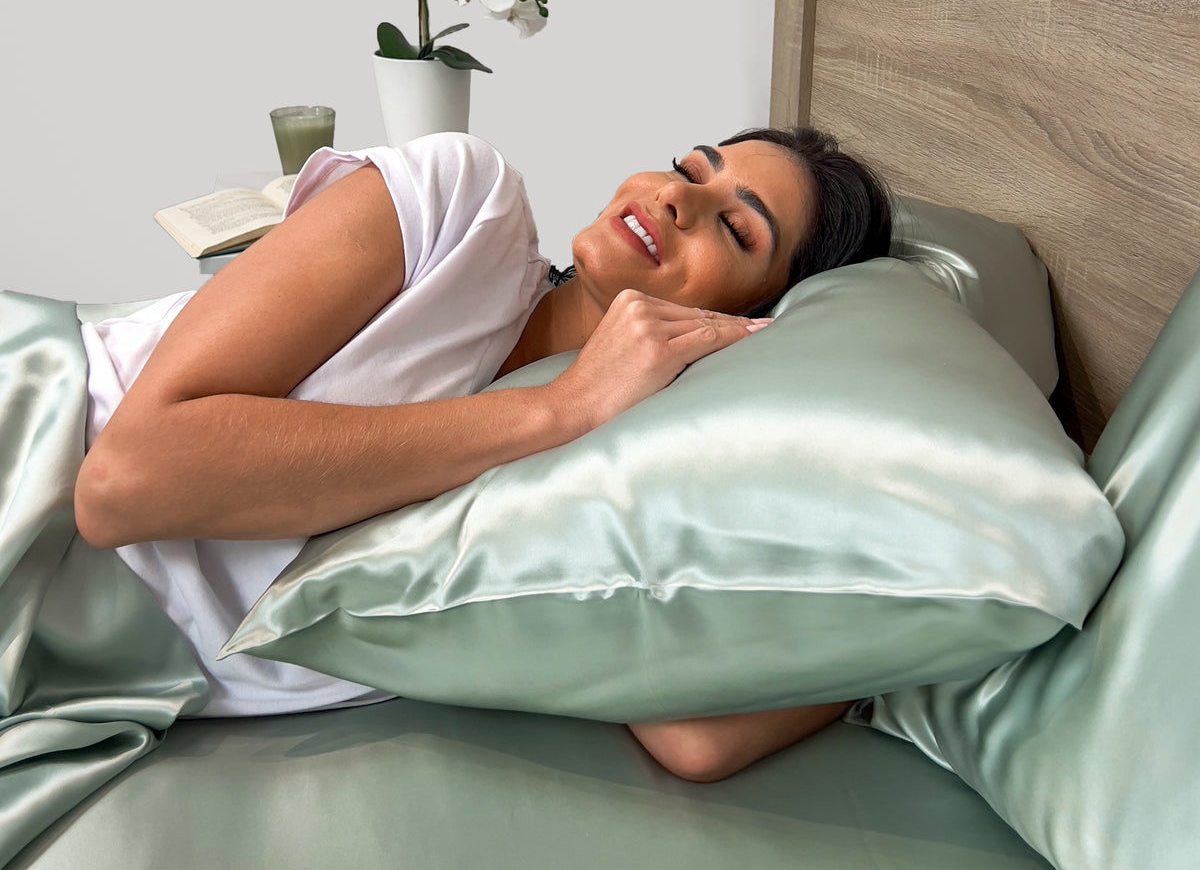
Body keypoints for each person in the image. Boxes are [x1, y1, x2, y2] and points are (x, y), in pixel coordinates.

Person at [73, 124, 891, 782]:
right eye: (689, 168)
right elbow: (119, 481)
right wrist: (553, 410)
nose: (676, 196)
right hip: (42, 454)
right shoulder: (463, 202)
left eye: (735, 228)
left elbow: (694, 738)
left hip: (89, 667)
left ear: (753, 322)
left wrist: (935, 633)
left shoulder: (620, 469)